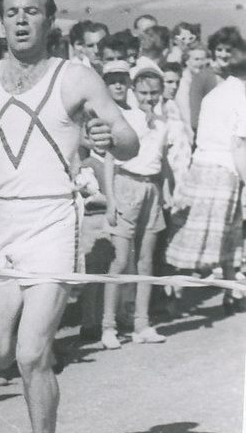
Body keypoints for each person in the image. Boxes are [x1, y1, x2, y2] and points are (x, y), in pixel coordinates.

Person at [0, 0, 137, 433]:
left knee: (33, 352)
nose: (21, 20)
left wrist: (105, 137)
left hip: (53, 221)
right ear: (0, 20)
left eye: (32, 11)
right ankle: (40, 391)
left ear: (49, 20)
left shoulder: (74, 77)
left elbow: (126, 138)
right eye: (12, 12)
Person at [100, 67, 177, 348]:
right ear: (134, 91)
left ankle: (141, 325)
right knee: (119, 261)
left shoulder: (162, 123)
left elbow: (162, 160)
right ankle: (108, 326)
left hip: (151, 190)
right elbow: (109, 161)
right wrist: (111, 199)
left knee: (146, 261)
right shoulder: (125, 119)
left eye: (154, 92)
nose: (149, 98)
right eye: (143, 93)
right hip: (125, 186)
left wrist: (168, 190)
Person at [167, 59, 246, 311]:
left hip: (200, 164)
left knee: (199, 231)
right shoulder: (241, 97)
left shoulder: (215, 94)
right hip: (224, 169)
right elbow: (238, 147)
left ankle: (229, 292)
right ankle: (177, 294)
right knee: (217, 235)